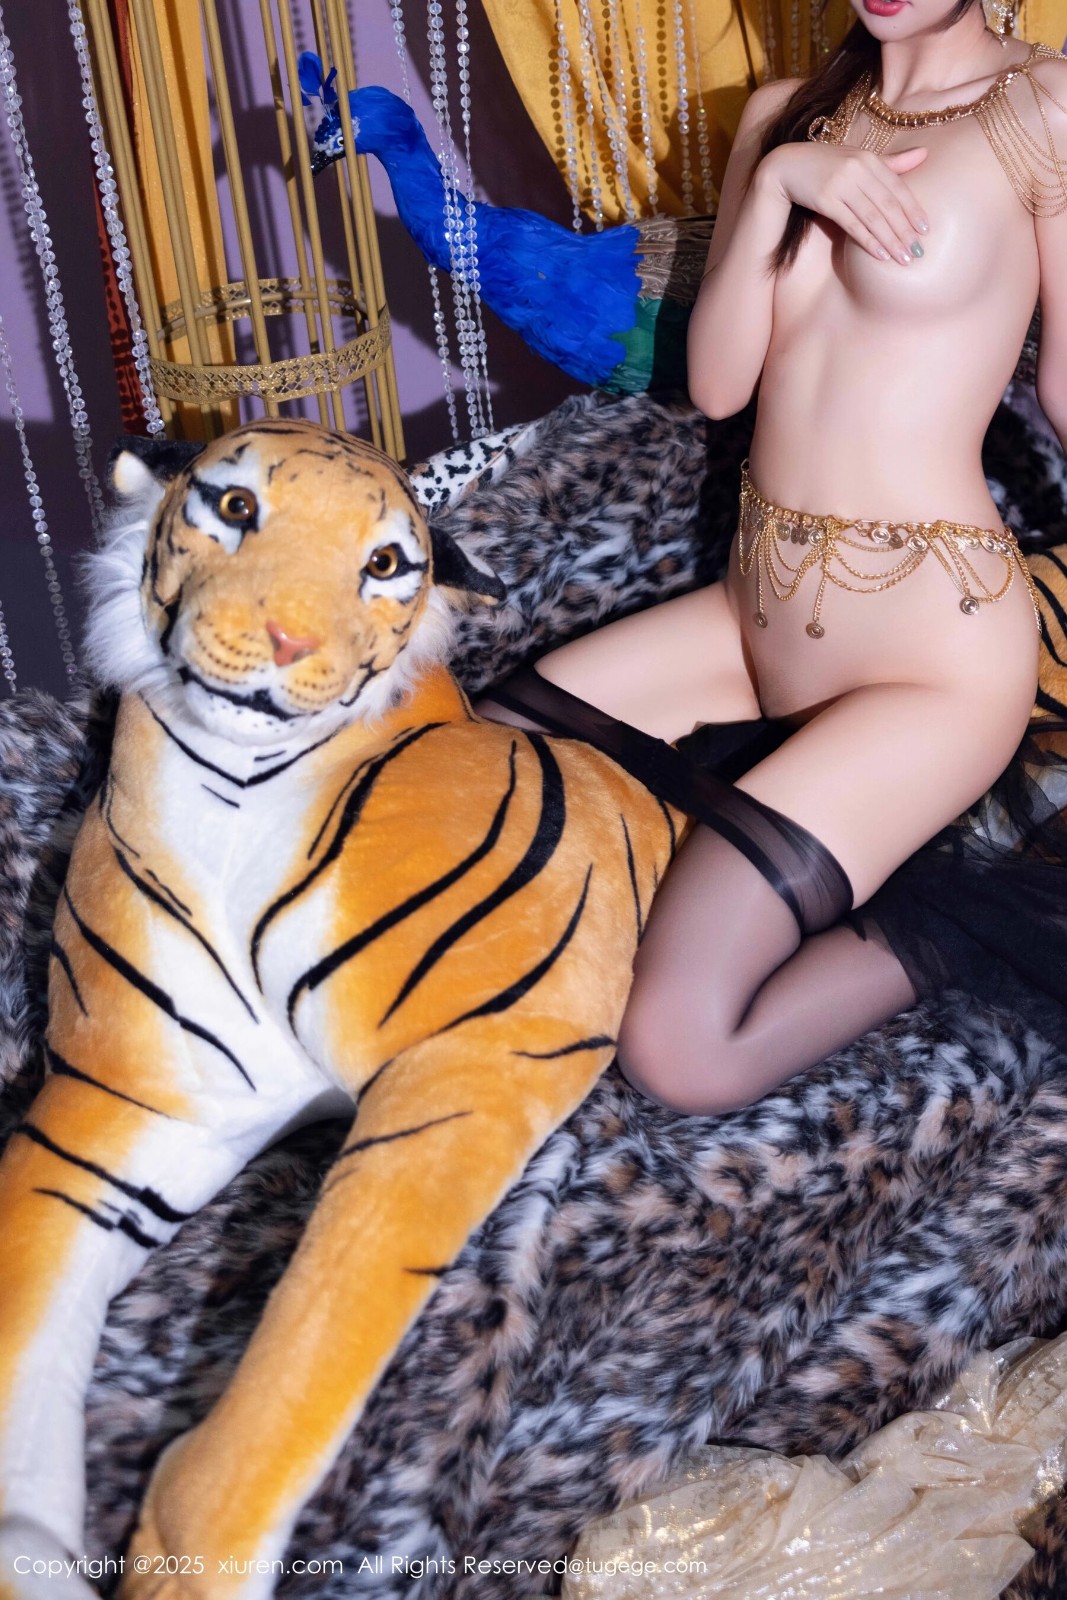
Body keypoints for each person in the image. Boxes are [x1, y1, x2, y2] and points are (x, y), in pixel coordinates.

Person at [476, 0, 1067, 1113]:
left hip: (929, 662)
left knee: (680, 1051)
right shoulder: (783, 116)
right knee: (479, 760)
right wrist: (784, 180)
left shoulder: (1047, 107)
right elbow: (717, 385)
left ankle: (952, 928)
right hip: (749, 617)